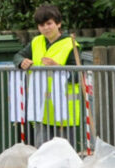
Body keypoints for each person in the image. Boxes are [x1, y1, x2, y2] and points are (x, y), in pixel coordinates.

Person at [13, 3, 81, 147]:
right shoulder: (36, 42)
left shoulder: (71, 44)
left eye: (49, 23)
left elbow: (77, 76)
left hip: (64, 110)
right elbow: (18, 56)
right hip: (41, 109)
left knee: (65, 153)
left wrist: (59, 68)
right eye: (41, 25)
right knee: (42, 153)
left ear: (58, 24)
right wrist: (21, 62)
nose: (46, 28)